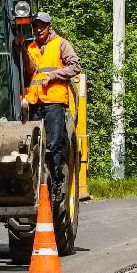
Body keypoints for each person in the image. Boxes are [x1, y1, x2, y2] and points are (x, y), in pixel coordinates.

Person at [22, 10, 82, 194]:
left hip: (55, 102)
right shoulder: (30, 47)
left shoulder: (61, 44)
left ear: (49, 27)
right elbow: (30, 69)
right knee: (35, 146)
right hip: (34, 102)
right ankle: (37, 185)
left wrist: (54, 75)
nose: (38, 29)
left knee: (54, 145)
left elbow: (75, 66)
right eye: (36, 26)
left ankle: (56, 186)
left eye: (42, 26)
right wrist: (22, 49)